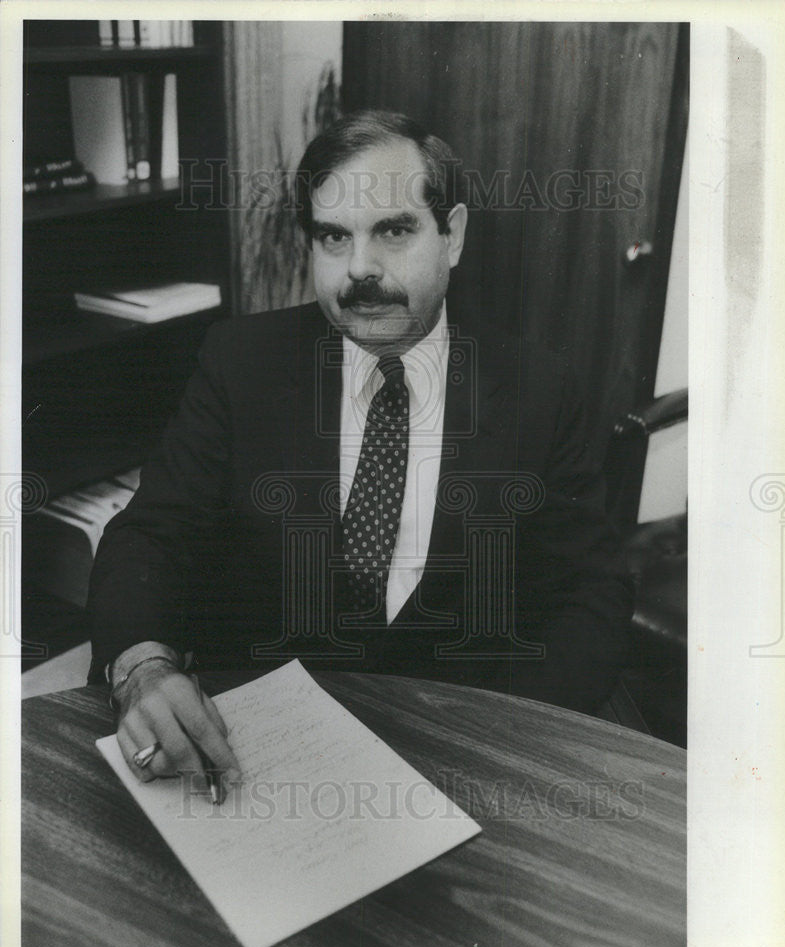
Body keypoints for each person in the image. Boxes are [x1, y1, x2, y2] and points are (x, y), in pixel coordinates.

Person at [88, 110, 633, 789]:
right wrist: (143, 666)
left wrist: (507, 742)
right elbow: (151, 534)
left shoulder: (538, 389)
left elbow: (593, 591)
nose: (359, 270)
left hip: (466, 760)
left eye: (395, 230)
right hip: (261, 758)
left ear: (452, 235)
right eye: (333, 237)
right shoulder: (240, 362)